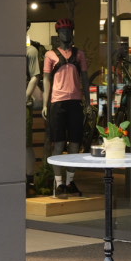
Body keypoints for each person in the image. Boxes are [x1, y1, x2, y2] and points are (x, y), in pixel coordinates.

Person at [42, 19, 90, 198]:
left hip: (75, 101)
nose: (66, 34)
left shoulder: (79, 54)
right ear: (58, 34)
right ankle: (59, 183)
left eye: (68, 31)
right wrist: (46, 103)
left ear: (72, 33)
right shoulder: (50, 55)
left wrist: (88, 101)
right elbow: (46, 79)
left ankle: (70, 182)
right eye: (62, 31)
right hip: (57, 102)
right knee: (59, 143)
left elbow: (85, 78)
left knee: (75, 143)